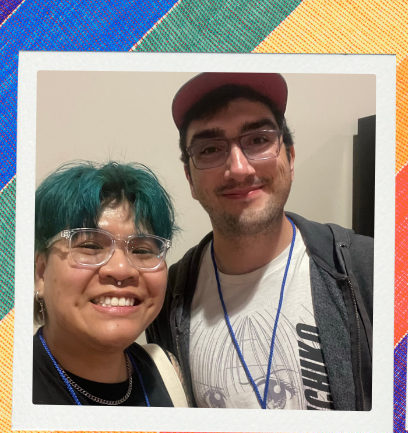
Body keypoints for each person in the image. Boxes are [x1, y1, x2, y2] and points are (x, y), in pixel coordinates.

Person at [147, 73, 373, 411]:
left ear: (290, 158)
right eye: (209, 149)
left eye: (258, 140)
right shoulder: (165, 300)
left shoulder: (367, 268)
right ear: (190, 180)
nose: (238, 168)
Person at [33, 162, 185, 407]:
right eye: (91, 246)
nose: (122, 270)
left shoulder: (166, 373)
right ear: (40, 273)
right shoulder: (11, 383)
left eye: (143, 250)